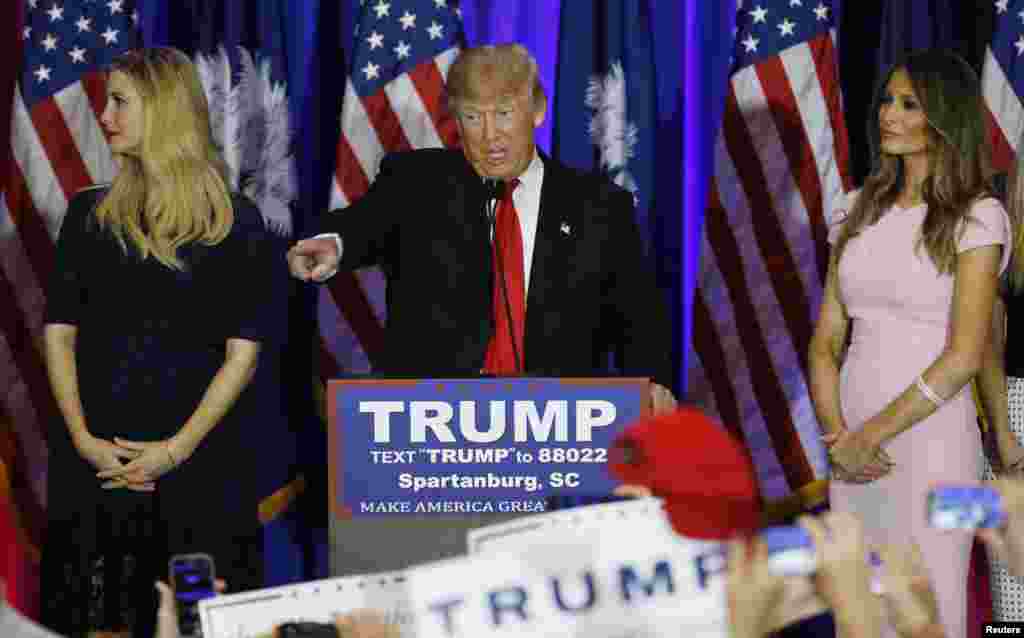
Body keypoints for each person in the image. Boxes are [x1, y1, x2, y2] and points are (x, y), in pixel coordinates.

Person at [286, 44, 676, 411]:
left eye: (504, 113)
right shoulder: (415, 183)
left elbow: (637, 317)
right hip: (433, 426)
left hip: (556, 430)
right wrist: (333, 245)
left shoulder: (599, 206)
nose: (491, 136)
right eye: (474, 116)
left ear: (537, 110)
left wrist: (654, 382)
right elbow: (362, 226)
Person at [41, 47, 277, 637]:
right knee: (98, 622)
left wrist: (173, 451)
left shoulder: (236, 223)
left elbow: (241, 355)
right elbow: (60, 335)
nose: (104, 115)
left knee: (198, 624)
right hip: (99, 472)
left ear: (165, 111)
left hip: (199, 478)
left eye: (119, 101)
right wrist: (83, 440)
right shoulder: (86, 216)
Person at [807, 49, 1012, 637]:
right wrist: (837, 438)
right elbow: (826, 340)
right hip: (853, 449)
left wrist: (868, 436)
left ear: (944, 117)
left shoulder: (979, 216)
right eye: (887, 101)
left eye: (908, 104)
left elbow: (964, 356)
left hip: (933, 445)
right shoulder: (852, 211)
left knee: (930, 610)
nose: (887, 115)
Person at [976, 163, 1024, 620]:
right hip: (1017, 406)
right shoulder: (1004, 221)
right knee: (1014, 601)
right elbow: (987, 343)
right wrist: (1004, 431)